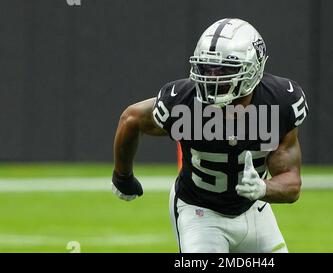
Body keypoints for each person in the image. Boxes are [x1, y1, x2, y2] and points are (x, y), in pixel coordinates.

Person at [111, 18, 309, 253]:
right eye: (207, 68)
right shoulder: (184, 102)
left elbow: (291, 183)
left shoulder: (279, 103)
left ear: (253, 69)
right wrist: (123, 176)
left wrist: (263, 188)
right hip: (200, 211)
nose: (213, 77)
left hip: (253, 210)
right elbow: (131, 119)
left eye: (225, 69)